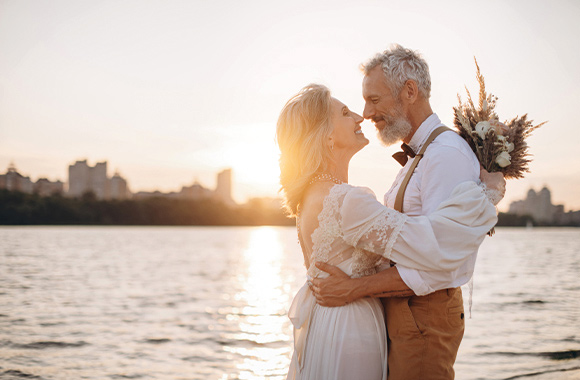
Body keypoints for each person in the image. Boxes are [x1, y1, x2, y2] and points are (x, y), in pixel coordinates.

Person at [277, 82, 504, 380]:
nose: (360, 117)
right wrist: (487, 194)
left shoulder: (311, 197)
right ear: (327, 137)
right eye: (346, 113)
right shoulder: (344, 200)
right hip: (351, 331)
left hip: (326, 325)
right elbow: (427, 242)